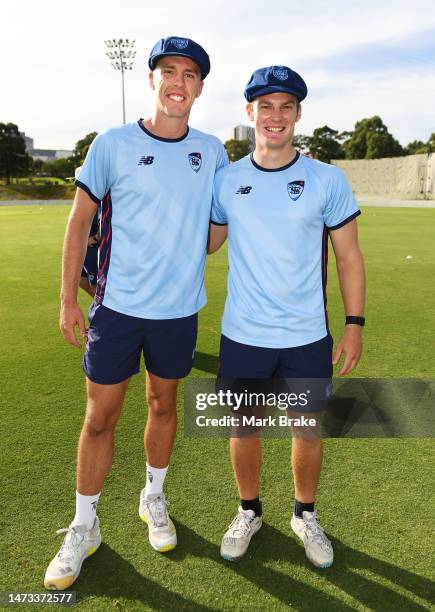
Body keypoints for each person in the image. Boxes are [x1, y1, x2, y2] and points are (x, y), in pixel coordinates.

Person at [44, 36, 228, 590]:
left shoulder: (214, 150)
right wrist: (67, 299)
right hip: (117, 309)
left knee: (163, 404)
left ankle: (153, 496)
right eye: (168, 70)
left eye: (190, 73)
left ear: (200, 87)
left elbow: (215, 239)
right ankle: (84, 526)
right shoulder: (112, 144)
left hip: (177, 313)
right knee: (99, 417)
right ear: (152, 79)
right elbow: (79, 222)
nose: (178, 82)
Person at [208, 65, 365, 567]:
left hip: (305, 336)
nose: (275, 116)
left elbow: (349, 257)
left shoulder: (324, 178)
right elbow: (206, 244)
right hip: (244, 335)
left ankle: (304, 514)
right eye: (265, 105)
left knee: (307, 429)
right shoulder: (227, 180)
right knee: (243, 427)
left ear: (298, 113)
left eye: (286, 106)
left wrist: (354, 326)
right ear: (249, 111)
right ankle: (249, 510)